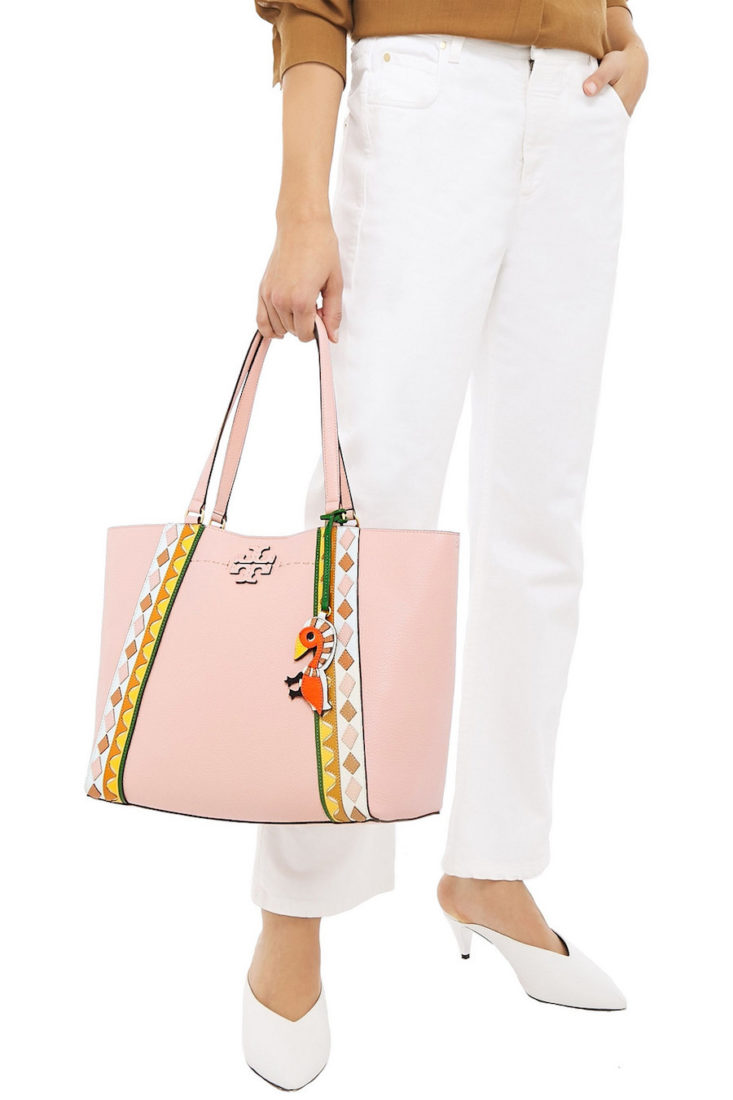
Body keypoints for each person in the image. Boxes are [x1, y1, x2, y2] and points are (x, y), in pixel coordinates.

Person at [243, 1, 648, 1089]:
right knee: (363, 517)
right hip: (426, 92)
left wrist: (619, 25)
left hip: (576, 112)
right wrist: (300, 207)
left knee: (540, 518)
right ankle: (295, 905)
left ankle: (493, 863)